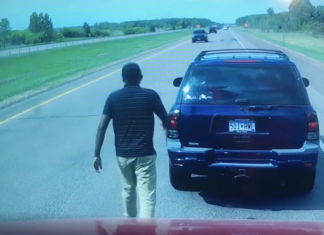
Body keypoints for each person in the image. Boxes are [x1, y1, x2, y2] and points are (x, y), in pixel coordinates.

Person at [93, 62, 169, 219]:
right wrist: (167, 131)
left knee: (128, 189)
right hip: (145, 154)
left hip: (123, 155)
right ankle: (146, 229)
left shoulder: (113, 98)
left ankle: (130, 225)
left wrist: (97, 154)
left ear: (123, 78)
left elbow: (102, 127)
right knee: (147, 195)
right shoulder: (150, 95)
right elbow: (166, 120)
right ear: (140, 77)